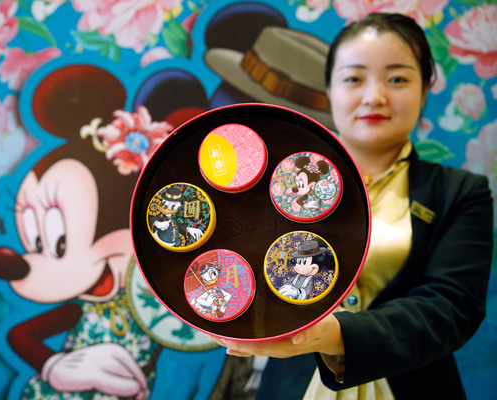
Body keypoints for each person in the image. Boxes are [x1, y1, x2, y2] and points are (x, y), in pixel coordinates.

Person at [207, 12, 494, 399]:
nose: (374, 95)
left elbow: (451, 309)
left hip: (415, 385)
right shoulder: (277, 180)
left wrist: (335, 335)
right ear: (329, 89)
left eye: (397, 78)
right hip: (291, 384)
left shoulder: (460, 192)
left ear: (425, 88)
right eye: (354, 78)